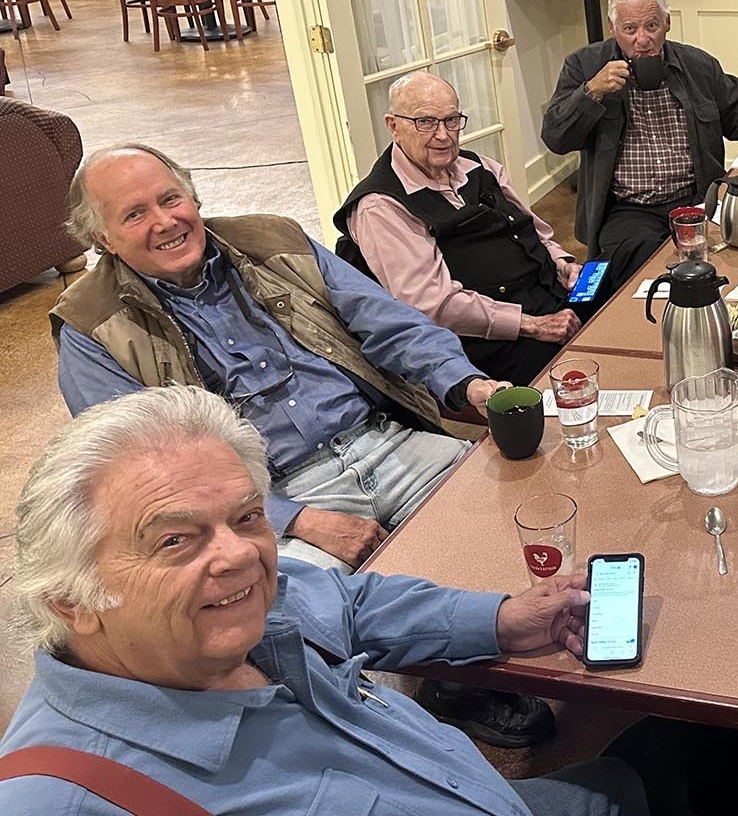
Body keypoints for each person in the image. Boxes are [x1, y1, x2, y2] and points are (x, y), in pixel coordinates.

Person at [51, 143, 557, 747]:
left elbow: (388, 321)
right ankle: (411, 730)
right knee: (289, 627)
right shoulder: (89, 325)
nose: (164, 222)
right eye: (134, 214)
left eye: (171, 198)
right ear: (101, 238)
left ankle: (487, 659)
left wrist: (464, 382)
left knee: (531, 505)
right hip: (264, 500)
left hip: (382, 440)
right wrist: (299, 519)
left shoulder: (274, 239)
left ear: (193, 195)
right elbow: (142, 475)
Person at [0, 386, 648, 816]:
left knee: (655, 763)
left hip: (482, 796)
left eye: (248, 517)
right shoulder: (65, 799)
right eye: (175, 538)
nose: (239, 555)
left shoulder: (247, 603)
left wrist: (503, 620)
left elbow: (357, 604)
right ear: (68, 600)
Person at [335, 71, 593, 386]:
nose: (444, 135)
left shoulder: (480, 166)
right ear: (393, 126)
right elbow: (434, 305)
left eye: (452, 120)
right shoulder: (381, 206)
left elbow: (534, 229)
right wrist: (533, 325)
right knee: (578, 379)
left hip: (546, 296)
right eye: (426, 122)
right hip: (487, 340)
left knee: (625, 299)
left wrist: (561, 263)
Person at [542, 0, 738, 285]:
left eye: (651, 26)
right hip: (628, 209)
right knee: (642, 268)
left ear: (667, 23)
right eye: (630, 29)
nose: (642, 39)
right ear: (613, 29)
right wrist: (592, 92)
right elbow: (556, 136)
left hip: (696, 199)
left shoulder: (696, 65)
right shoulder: (584, 66)